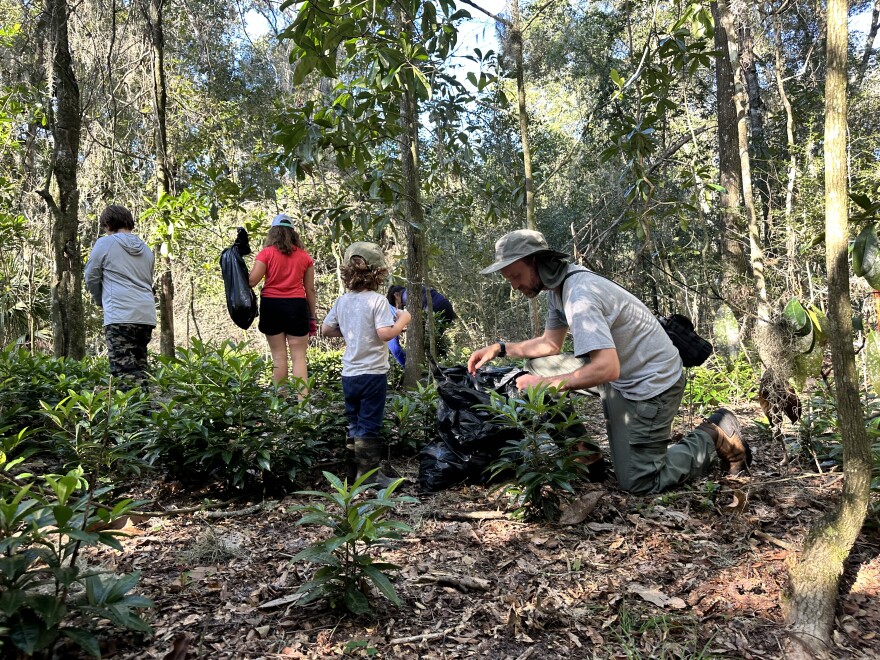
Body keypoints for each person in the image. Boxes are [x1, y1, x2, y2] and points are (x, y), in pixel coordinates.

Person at [467, 229, 751, 495]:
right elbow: (549, 344)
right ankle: (585, 457)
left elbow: (606, 368)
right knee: (538, 366)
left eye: (516, 275)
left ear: (534, 261)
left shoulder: (581, 296)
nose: (515, 286)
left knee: (640, 481)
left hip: (652, 385)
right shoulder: (558, 289)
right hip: (622, 375)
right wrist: (500, 348)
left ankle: (714, 434)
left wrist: (544, 385)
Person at [322, 242, 411, 487]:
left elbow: (326, 329)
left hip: (349, 374)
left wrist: (354, 332)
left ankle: (354, 474)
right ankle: (369, 476)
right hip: (373, 373)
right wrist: (403, 319)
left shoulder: (343, 301)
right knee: (370, 423)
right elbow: (384, 334)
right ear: (378, 272)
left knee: (355, 422)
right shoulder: (377, 301)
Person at [84, 205, 157, 389]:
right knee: (139, 367)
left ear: (107, 224)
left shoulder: (105, 243)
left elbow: (91, 276)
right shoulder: (146, 249)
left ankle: (137, 415)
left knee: (123, 372)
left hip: (120, 315)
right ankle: (146, 411)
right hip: (145, 316)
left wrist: (100, 300)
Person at [248, 214, 317, 394]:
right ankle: (303, 405)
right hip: (297, 306)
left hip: (272, 306)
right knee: (299, 357)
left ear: (273, 232)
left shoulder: (266, 254)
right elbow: (310, 290)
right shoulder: (305, 257)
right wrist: (312, 316)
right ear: (293, 233)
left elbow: (251, 282)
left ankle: (281, 403)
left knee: (278, 357)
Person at [386, 284, 456, 366]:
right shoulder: (416, 289)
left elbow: (414, 320)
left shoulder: (406, 296)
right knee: (433, 342)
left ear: (396, 295)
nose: (401, 305)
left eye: (397, 303)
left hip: (437, 310)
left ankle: (429, 368)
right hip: (447, 309)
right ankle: (436, 365)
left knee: (426, 343)